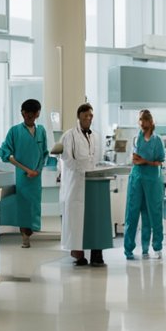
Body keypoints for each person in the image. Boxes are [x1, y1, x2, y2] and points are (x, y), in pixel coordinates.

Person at [0, 99, 49, 248]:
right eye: (27, 114)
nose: (29, 117)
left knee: (34, 206)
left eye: (33, 115)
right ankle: (25, 237)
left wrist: (37, 170)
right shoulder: (14, 131)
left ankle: (30, 232)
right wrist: (26, 170)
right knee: (23, 206)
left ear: (38, 114)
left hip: (36, 177)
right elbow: (6, 154)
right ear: (22, 113)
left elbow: (44, 153)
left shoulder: (41, 131)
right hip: (23, 177)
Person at [59, 102, 105, 267]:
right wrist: (82, 170)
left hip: (93, 182)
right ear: (79, 117)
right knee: (76, 220)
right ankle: (78, 255)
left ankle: (96, 254)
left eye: (91, 116)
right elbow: (67, 160)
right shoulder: (69, 135)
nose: (88, 118)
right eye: (85, 115)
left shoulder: (95, 136)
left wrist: (93, 170)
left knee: (93, 219)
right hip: (76, 183)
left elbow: (97, 157)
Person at [124, 109, 166, 260]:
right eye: (140, 120)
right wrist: (136, 160)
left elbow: (160, 161)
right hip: (137, 179)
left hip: (152, 180)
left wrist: (145, 162)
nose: (142, 123)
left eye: (145, 120)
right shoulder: (136, 139)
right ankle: (128, 249)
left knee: (153, 213)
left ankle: (154, 247)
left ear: (150, 121)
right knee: (132, 213)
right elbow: (133, 159)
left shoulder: (157, 140)